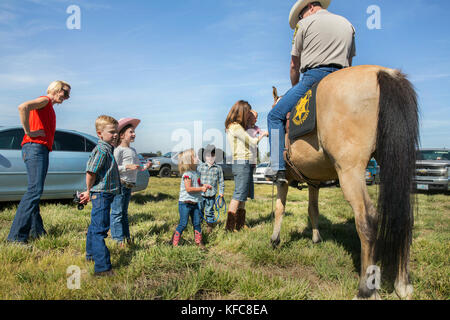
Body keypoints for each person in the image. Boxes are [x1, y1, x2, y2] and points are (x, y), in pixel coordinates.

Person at [266, 0, 356, 184]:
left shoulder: (303, 25)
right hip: (344, 77)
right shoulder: (348, 24)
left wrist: (295, 88)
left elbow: (294, 65)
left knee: (274, 116)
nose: (300, 18)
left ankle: (278, 168)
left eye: (301, 14)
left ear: (310, 7)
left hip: (314, 77)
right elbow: (350, 59)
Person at [7, 80, 71, 244]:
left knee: (34, 190)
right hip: (35, 147)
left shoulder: (48, 106)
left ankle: (37, 231)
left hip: (36, 148)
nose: (67, 97)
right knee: (35, 191)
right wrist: (29, 131)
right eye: (65, 92)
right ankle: (16, 238)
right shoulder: (45, 100)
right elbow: (23, 107)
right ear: (56, 89)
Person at [79, 115, 121, 276]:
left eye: (116, 131)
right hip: (101, 194)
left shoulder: (108, 148)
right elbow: (91, 171)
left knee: (95, 226)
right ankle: (102, 268)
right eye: (111, 132)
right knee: (99, 229)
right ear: (100, 133)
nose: (115, 135)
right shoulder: (102, 150)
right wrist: (88, 190)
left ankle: (90, 255)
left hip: (104, 194)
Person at [225, 100, 268, 232]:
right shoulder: (235, 127)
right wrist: (261, 135)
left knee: (243, 195)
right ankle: (230, 228)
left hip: (247, 162)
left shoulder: (239, 126)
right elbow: (252, 142)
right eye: (248, 111)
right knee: (238, 194)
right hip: (241, 162)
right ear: (242, 112)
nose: (249, 114)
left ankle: (240, 224)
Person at [110, 118, 152, 246]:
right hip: (120, 184)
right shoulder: (118, 150)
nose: (134, 134)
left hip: (129, 186)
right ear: (122, 135)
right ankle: (118, 240)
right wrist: (126, 167)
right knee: (117, 213)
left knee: (124, 213)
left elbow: (138, 167)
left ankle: (126, 237)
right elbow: (112, 168)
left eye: (134, 132)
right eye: (131, 132)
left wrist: (146, 167)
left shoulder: (133, 151)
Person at [171, 149, 211, 248]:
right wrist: (201, 188)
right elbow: (188, 189)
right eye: (195, 157)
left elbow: (198, 184)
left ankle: (199, 242)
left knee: (197, 223)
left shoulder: (196, 173)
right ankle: (174, 242)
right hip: (185, 204)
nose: (198, 158)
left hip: (195, 203)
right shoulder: (187, 174)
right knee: (183, 224)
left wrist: (204, 185)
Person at [197, 144, 225, 233]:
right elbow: (196, 179)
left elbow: (221, 181)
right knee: (199, 210)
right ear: (205, 156)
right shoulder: (200, 167)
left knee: (209, 211)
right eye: (208, 155)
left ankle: (209, 228)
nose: (210, 158)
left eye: (213, 155)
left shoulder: (218, 168)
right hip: (200, 194)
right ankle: (198, 227)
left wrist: (221, 192)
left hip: (211, 194)